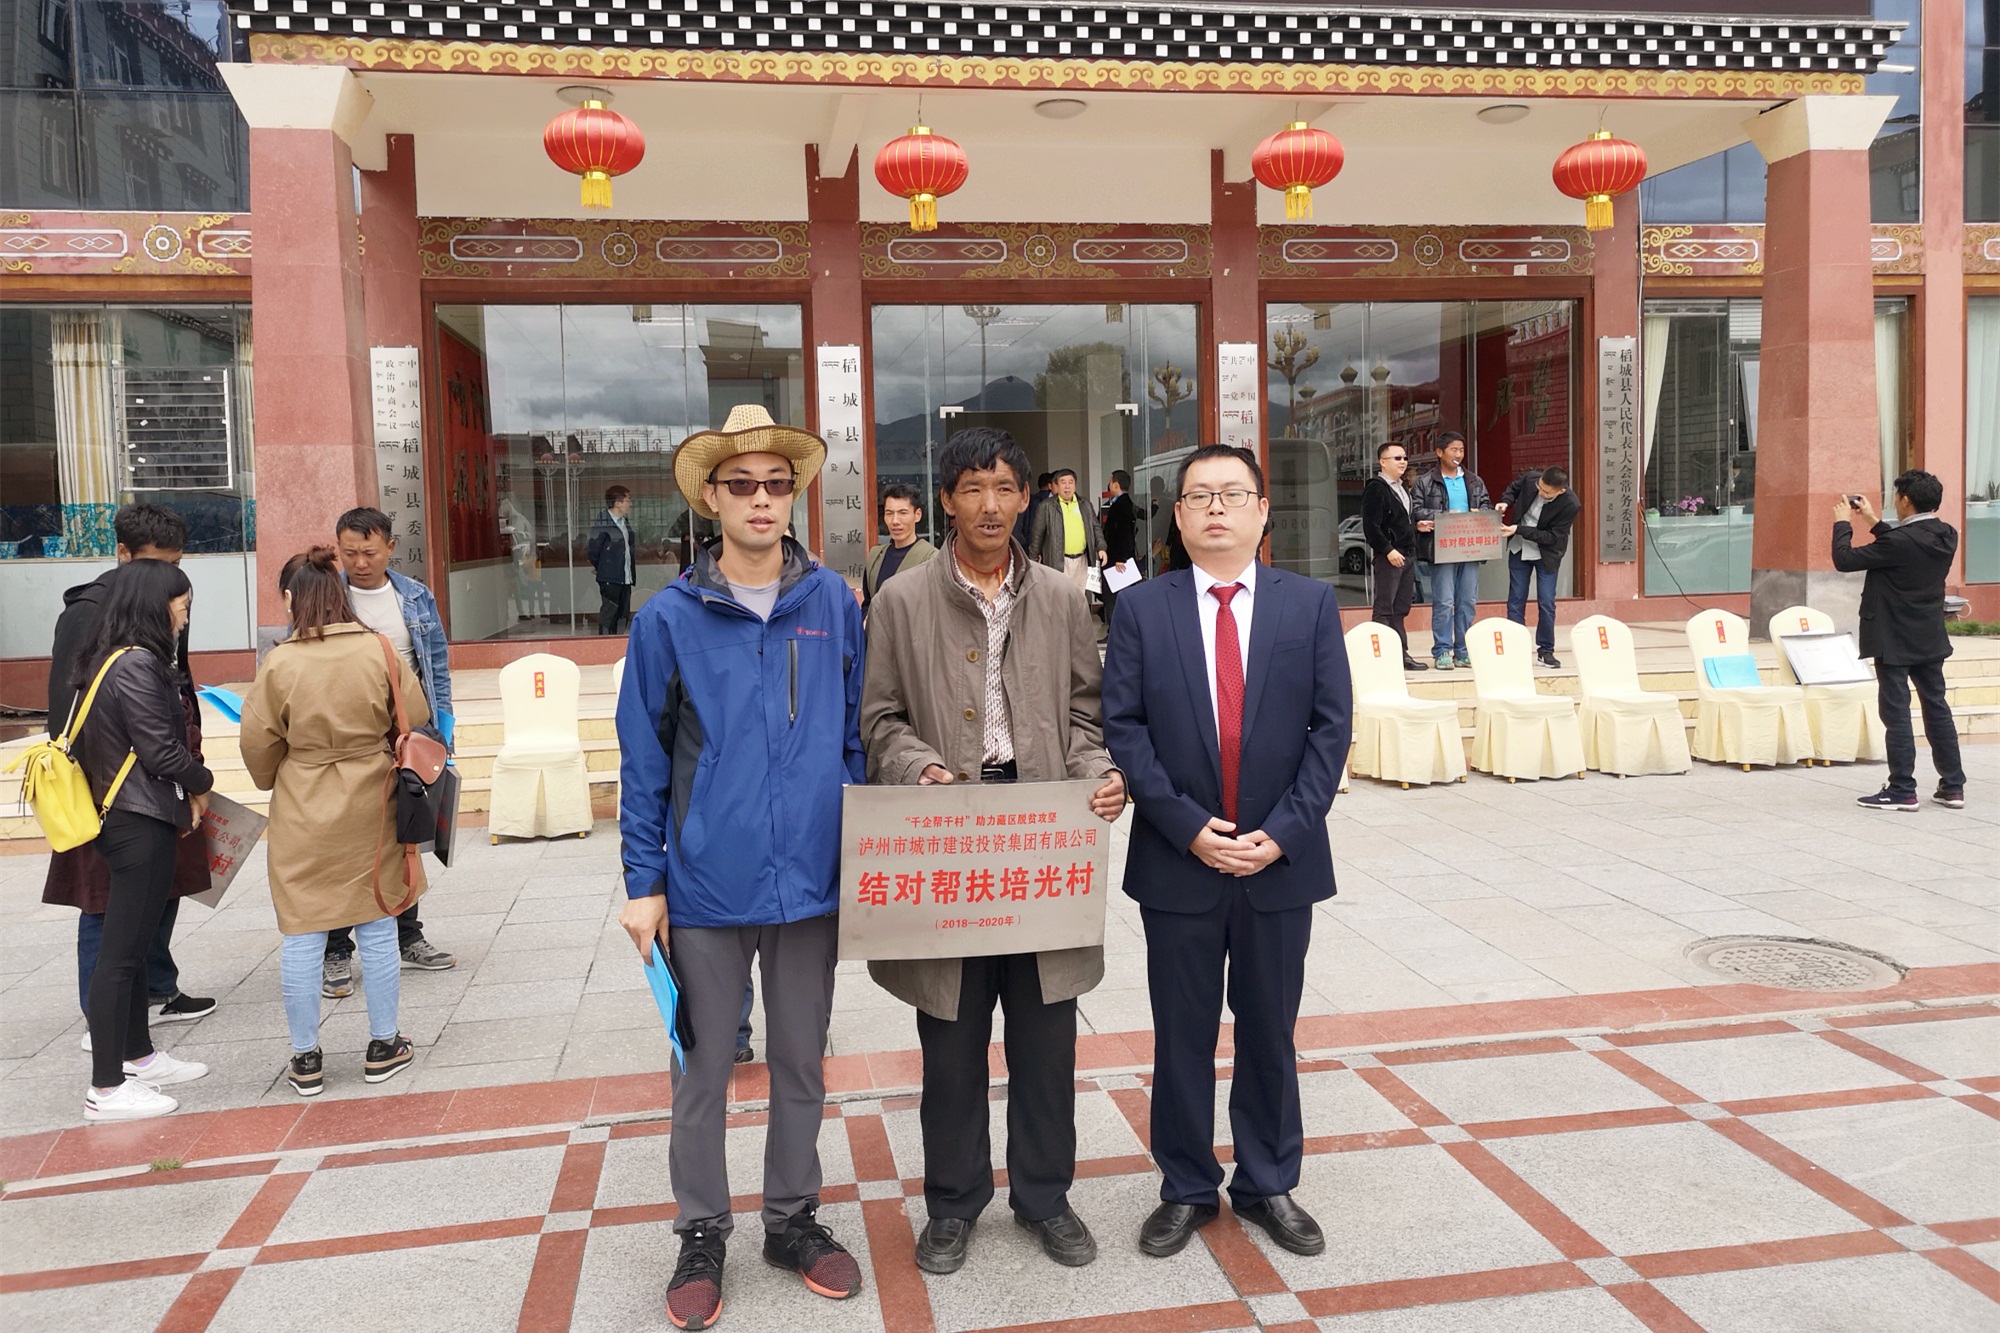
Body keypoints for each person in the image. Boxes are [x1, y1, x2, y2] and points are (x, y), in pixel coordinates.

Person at [616, 403, 866, 1331]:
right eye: (742, 484)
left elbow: (856, 732)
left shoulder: (833, 604)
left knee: (801, 1060)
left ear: (793, 495)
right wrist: (645, 884)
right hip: (707, 888)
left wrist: (857, 834)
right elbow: (644, 760)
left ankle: (792, 1218)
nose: (761, 498)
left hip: (810, 884)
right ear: (711, 498)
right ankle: (702, 1230)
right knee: (703, 1067)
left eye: (776, 483)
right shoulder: (668, 618)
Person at [862, 427, 1127, 1277]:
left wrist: (1100, 772)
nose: (989, 504)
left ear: (1026, 498)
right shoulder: (900, 601)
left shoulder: (1061, 598)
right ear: (946, 500)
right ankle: (952, 1202)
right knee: (951, 1037)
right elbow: (878, 720)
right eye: (972, 487)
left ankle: (1045, 1196)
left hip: (1040, 834)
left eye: (1005, 487)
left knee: (1048, 1039)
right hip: (951, 840)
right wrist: (919, 766)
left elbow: (1084, 715)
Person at [1103, 444, 1352, 1261]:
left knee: (1270, 1028)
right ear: (1177, 516)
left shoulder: (1308, 604)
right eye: (1199, 495)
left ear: (1262, 510)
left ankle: (1267, 1180)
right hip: (1180, 861)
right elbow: (1125, 728)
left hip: (1280, 861)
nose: (1216, 507)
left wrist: (1283, 832)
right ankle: (1185, 1185)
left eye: (1232, 493)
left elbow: (1331, 730)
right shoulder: (1143, 609)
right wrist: (1186, 826)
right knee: (1181, 1032)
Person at [239, 550, 425, 1096]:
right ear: (341, 595)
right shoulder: (378, 649)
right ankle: (384, 1044)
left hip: (303, 800)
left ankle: (305, 1058)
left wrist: (284, 770)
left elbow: (257, 745)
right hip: (373, 795)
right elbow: (415, 714)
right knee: (378, 918)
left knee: (302, 928)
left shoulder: (280, 663)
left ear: (292, 600)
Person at [44, 505, 215, 1047]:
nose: (169, 578)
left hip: (161, 773)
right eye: (156, 565)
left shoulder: (166, 603)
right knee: (106, 900)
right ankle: (105, 1021)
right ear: (122, 554)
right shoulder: (91, 612)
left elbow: (178, 681)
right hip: (111, 783)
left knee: (163, 888)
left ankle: (157, 989)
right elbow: (68, 706)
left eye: (176, 566)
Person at [73, 559, 215, 1121]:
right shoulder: (135, 663)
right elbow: (159, 749)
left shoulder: (115, 657)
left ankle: (139, 1057)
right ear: (156, 607)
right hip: (136, 818)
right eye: (181, 606)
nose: (184, 617)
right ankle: (106, 1088)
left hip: (132, 815)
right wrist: (202, 782)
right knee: (121, 955)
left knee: (129, 949)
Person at [323, 508, 455, 994]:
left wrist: (442, 732)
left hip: (406, 735)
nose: (360, 563)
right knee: (345, 844)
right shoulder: (328, 597)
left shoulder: (415, 596)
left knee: (406, 835)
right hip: (349, 737)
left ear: (390, 548)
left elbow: (435, 667)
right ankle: (336, 949)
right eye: (349, 553)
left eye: (369, 552)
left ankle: (408, 936)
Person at [1834, 471, 1966, 811]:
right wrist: (1873, 521)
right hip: (1928, 636)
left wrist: (1843, 523)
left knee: (1896, 714)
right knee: (1937, 709)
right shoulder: (1947, 534)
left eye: (1896, 496)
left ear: (1906, 500)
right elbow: (1906, 546)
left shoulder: (1898, 543)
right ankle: (1953, 787)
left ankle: (1902, 789)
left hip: (1893, 637)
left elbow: (1844, 560)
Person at [1410, 431, 1493, 671]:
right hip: (1443, 547)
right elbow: (1416, 510)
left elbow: (1486, 504)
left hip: (1470, 546)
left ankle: (1463, 651)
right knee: (1444, 601)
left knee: (1467, 601)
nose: (1458, 454)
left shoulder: (1474, 481)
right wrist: (1444, 515)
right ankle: (1442, 650)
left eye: (1461, 450)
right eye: (1453, 450)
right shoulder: (1426, 481)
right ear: (1439, 452)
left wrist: (1481, 512)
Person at [1499, 466, 1579, 669]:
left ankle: (1545, 651)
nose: (1541, 493)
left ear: (1560, 491)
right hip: (1519, 548)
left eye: (1546, 492)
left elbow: (1552, 537)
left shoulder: (1570, 504)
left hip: (1546, 554)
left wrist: (1519, 529)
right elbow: (1513, 488)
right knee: (1516, 598)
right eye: (1539, 487)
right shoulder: (1531, 479)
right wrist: (1505, 501)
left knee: (1546, 602)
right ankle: (1515, 648)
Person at [1361, 442, 1427, 671]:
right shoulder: (1377, 488)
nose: (1403, 462)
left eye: (1405, 458)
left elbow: (1398, 520)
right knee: (1384, 609)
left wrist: (1416, 526)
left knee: (1400, 608)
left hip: (1407, 555)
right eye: (1397, 458)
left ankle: (1400, 654)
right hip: (1389, 556)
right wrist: (1388, 550)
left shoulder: (1402, 487)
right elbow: (1371, 527)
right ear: (1383, 462)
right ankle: (1379, 657)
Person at [862, 483, 937, 615]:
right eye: (889, 513)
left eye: (903, 513)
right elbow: (868, 602)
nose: (895, 521)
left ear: (917, 515)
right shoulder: (876, 556)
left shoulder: (932, 559)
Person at [1029, 468, 1107, 591]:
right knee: (1059, 597)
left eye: (1070, 482)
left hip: (1082, 560)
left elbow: (1095, 527)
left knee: (1079, 596)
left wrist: (1101, 547)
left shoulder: (1085, 504)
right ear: (1056, 486)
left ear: (1075, 485)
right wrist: (1033, 561)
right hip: (1057, 561)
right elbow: (1037, 535)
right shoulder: (1046, 506)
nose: (1067, 486)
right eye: (1063, 482)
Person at [589, 484, 639, 635]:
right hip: (610, 577)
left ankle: (619, 641)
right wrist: (603, 566)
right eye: (628, 500)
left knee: (623, 613)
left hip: (625, 576)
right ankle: (605, 643)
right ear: (617, 503)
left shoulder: (624, 522)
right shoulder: (603, 523)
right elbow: (593, 550)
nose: (630, 504)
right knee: (609, 613)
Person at [1100, 468, 1141, 624]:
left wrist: (1120, 558)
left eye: (1110, 482)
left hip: (1117, 561)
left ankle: (1114, 629)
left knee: (1114, 597)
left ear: (1116, 484)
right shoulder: (1121, 503)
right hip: (1117, 559)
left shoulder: (1122, 505)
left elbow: (1125, 533)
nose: (1109, 485)